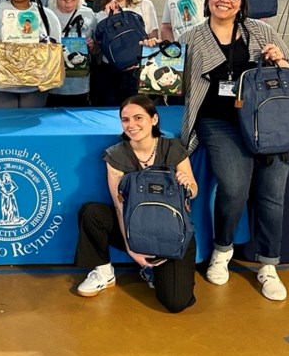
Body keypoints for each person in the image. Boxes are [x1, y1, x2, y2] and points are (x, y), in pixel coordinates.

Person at [178, 0, 289, 301]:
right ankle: (222, 251)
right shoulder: (192, 37)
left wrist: (280, 60)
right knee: (233, 187)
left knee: (272, 196)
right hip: (218, 122)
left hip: (268, 123)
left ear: (242, 3)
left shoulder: (262, 32)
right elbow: (171, 81)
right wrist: (153, 55)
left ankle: (268, 266)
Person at [74, 96, 198, 313]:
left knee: (176, 303)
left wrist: (186, 183)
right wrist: (133, 250)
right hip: (136, 230)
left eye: (138, 118)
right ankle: (104, 272)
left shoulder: (173, 148)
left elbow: (193, 191)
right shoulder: (116, 155)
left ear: (154, 119)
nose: (131, 125)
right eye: (125, 120)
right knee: (92, 212)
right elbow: (120, 208)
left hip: (171, 233)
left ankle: (155, 272)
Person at [92, 0, 159, 107]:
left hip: (138, 72)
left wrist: (152, 42)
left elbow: (154, 38)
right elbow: (97, 51)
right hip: (110, 74)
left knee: (139, 112)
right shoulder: (100, 16)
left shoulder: (145, 6)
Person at [46, 0, 97, 108]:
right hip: (52, 85)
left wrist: (93, 46)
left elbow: (97, 49)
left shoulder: (89, 14)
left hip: (80, 85)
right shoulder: (47, 14)